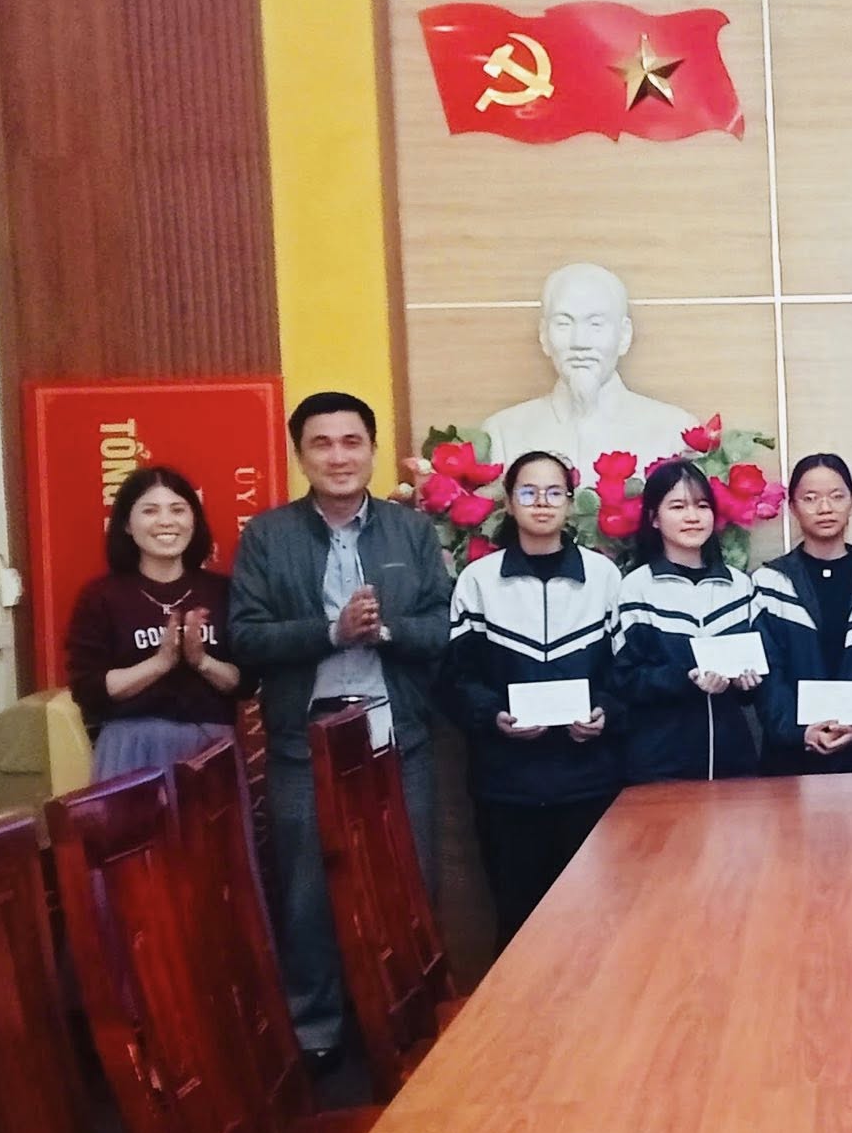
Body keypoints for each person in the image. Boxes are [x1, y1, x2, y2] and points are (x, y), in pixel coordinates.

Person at [228, 392, 452, 1069]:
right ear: (300, 456)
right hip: (306, 738)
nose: (338, 456)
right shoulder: (267, 536)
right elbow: (245, 637)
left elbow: (443, 628)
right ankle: (315, 1032)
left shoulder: (411, 532)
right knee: (307, 891)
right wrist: (331, 631)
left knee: (409, 880)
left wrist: (382, 630)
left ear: (373, 450)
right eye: (321, 444)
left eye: (351, 442)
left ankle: (412, 1020)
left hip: (396, 731)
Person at [437, 451, 622, 948]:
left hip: (589, 784)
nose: (542, 503)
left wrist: (605, 712)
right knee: (518, 927)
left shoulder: (604, 577)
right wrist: (492, 715)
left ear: (571, 503)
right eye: (528, 492)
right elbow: (456, 680)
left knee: (595, 926)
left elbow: (623, 672)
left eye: (554, 492)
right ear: (509, 502)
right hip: (507, 788)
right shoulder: (479, 580)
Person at [65, 467, 248, 779]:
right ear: (127, 524)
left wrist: (201, 662)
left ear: (194, 520)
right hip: (129, 749)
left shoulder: (223, 591)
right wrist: (160, 663)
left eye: (178, 510)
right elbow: (88, 688)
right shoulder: (101, 596)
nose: (166, 521)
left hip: (211, 749)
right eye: (150, 511)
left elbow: (245, 682)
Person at [753, 454, 852, 774]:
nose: (825, 508)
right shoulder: (771, 583)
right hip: (789, 762)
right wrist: (799, 731)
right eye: (810, 498)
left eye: (837, 496)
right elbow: (766, 672)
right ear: (792, 506)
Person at [614, 460, 764, 782]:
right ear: (654, 518)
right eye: (678, 506)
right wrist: (685, 678)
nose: (693, 516)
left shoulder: (740, 587)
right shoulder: (635, 589)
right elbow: (625, 679)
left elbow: (756, 675)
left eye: (702, 505)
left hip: (733, 761)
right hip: (660, 764)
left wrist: (748, 685)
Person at [481, 262, 700, 470]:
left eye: (596, 324)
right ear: (544, 335)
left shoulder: (675, 434)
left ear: (624, 335)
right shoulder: (502, 435)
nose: (579, 342)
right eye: (563, 324)